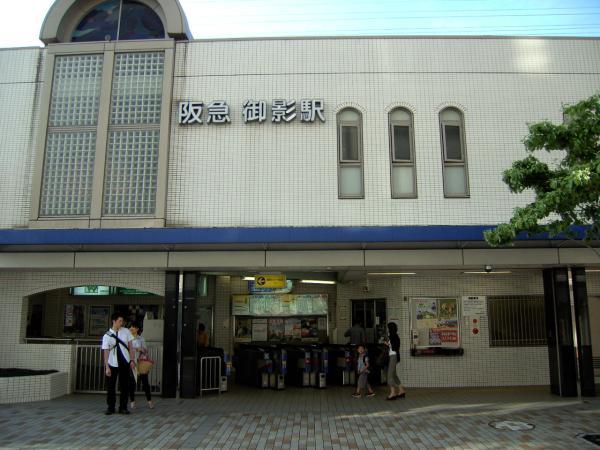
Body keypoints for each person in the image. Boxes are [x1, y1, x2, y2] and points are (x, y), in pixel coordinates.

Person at [101, 312, 135, 415]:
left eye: (122, 321)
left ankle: (123, 407)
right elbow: (106, 351)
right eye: (120, 321)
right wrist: (107, 366)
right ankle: (110, 407)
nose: (121, 323)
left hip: (125, 362)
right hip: (112, 363)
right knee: (111, 386)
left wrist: (132, 360)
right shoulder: (107, 335)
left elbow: (131, 347)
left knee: (125, 385)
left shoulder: (126, 331)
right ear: (114, 321)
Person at [128, 322, 154, 410]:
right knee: (131, 383)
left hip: (141, 362)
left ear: (137, 329)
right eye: (130, 327)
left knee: (145, 383)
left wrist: (140, 349)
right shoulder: (127, 338)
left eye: (133, 327)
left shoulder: (141, 338)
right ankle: (132, 402)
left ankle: (149, 401)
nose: (131, 328)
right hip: (131, 362)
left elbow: (145, 350)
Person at [384, 322, 406, 400]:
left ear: (390, 328)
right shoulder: (394, 336)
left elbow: (394, 347)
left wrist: (387, 344)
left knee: (390, 374)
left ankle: (393, 393)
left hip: (393, 356)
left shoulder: (394, 336)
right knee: (393, 374)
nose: (387, 329)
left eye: (388, 327)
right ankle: (401, 390)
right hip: (393, 356)